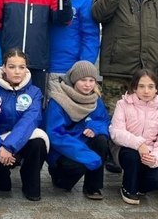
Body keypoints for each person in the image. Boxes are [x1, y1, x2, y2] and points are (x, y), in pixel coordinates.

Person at [0, 49, 48, 201]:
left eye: (22, 67)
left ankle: (30, 186)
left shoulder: (34, 92)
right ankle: (1, 175)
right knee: (3, 188)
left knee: (38, 142)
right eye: (12, 67)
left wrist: (9, 146)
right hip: (0, 142)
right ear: (3, 68)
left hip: (23, 140)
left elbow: (29, 121)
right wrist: (0, 148)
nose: (17, 71)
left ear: (27, 69)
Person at [45, 60, 110, 200]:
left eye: (91, 80)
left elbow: (104, 121)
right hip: (63, 149)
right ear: (74, 80)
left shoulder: (95, 100)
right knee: (77, 167)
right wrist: (87, 155)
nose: (88, 85)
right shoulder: (58, 99)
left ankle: (93, 187)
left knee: (101, 140)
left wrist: (94, 128)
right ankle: (58, 176)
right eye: (83, 80)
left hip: (82, 142)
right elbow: (55, 134)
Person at [109, 69, 158, 205]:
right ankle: (128, 188)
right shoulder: (123, 105)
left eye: (151, 87)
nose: (146, 91)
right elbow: (116, 132)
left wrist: (155, 157)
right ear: (134, 88)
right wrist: (139, 144)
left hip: (150, 152)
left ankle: (140, 186)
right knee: (132, 156)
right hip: (125, 149)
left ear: (156, 89)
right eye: (141, 86)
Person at [48, 0, 100, 97]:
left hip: (70, 66)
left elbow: (90, 36)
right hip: (46, 65)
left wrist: (84, 66)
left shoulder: (85, 0)